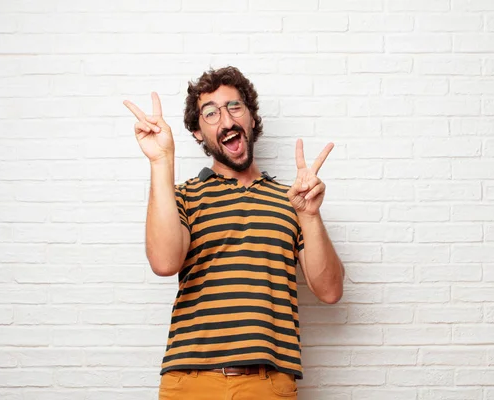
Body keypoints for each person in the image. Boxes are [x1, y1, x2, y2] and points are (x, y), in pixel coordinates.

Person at [123, 66, 344, 400]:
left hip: (268, 384)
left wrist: (310, 216)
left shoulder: (293, 201)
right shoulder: (182, 196)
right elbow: (165, 263)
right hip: (191, 381)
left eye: (234, 107)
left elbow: (330, 291)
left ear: (251, 118)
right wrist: (161, 160)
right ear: (198, 132)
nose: (225, 120)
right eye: (210, 113)